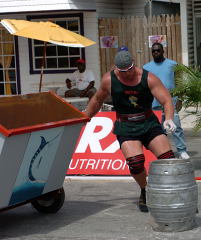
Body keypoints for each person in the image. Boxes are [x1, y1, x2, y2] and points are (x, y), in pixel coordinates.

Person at [84, 50, 176, 212]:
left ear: (134, 63)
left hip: (148, 122)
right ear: (117, 69)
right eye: (123, 71)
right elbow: (98, 100)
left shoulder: (148, 78)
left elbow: (166, 99)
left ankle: (176, 193)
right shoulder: (109, 80)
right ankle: (145, 190)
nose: (128, 73)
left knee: (168, 159)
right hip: (126, 125)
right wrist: (84, 117)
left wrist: (168, 118)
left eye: (130, 69)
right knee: (135, 163)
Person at [143, 42, 190, 160]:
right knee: (157, 131)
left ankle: (182, 150)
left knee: (176, 127)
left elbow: (180, 82)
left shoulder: (173, 64)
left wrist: (180, 99)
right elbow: (143, 87)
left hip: (171, 103)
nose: (156, 53)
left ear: (163, 51)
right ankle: (163, 153)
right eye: (153, 51)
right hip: (154, 104)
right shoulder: (146, 68)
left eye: (158, 50)